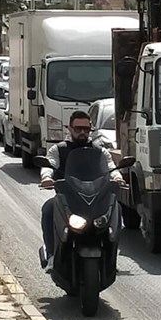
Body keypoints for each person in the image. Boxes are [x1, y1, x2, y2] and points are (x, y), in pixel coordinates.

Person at [39, 110, 123, 272]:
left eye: (86, 129)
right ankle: (51, 255)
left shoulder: (100, 151)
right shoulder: (59, 149)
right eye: (78, 129)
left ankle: (111, 258)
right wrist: (46, 177)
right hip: (67, 200)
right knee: (48, 209)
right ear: (69, 129)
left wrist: (117, 177)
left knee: (117, 209)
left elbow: (111, 167)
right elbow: (49, 165)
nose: (83, 132)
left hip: (96, 199)